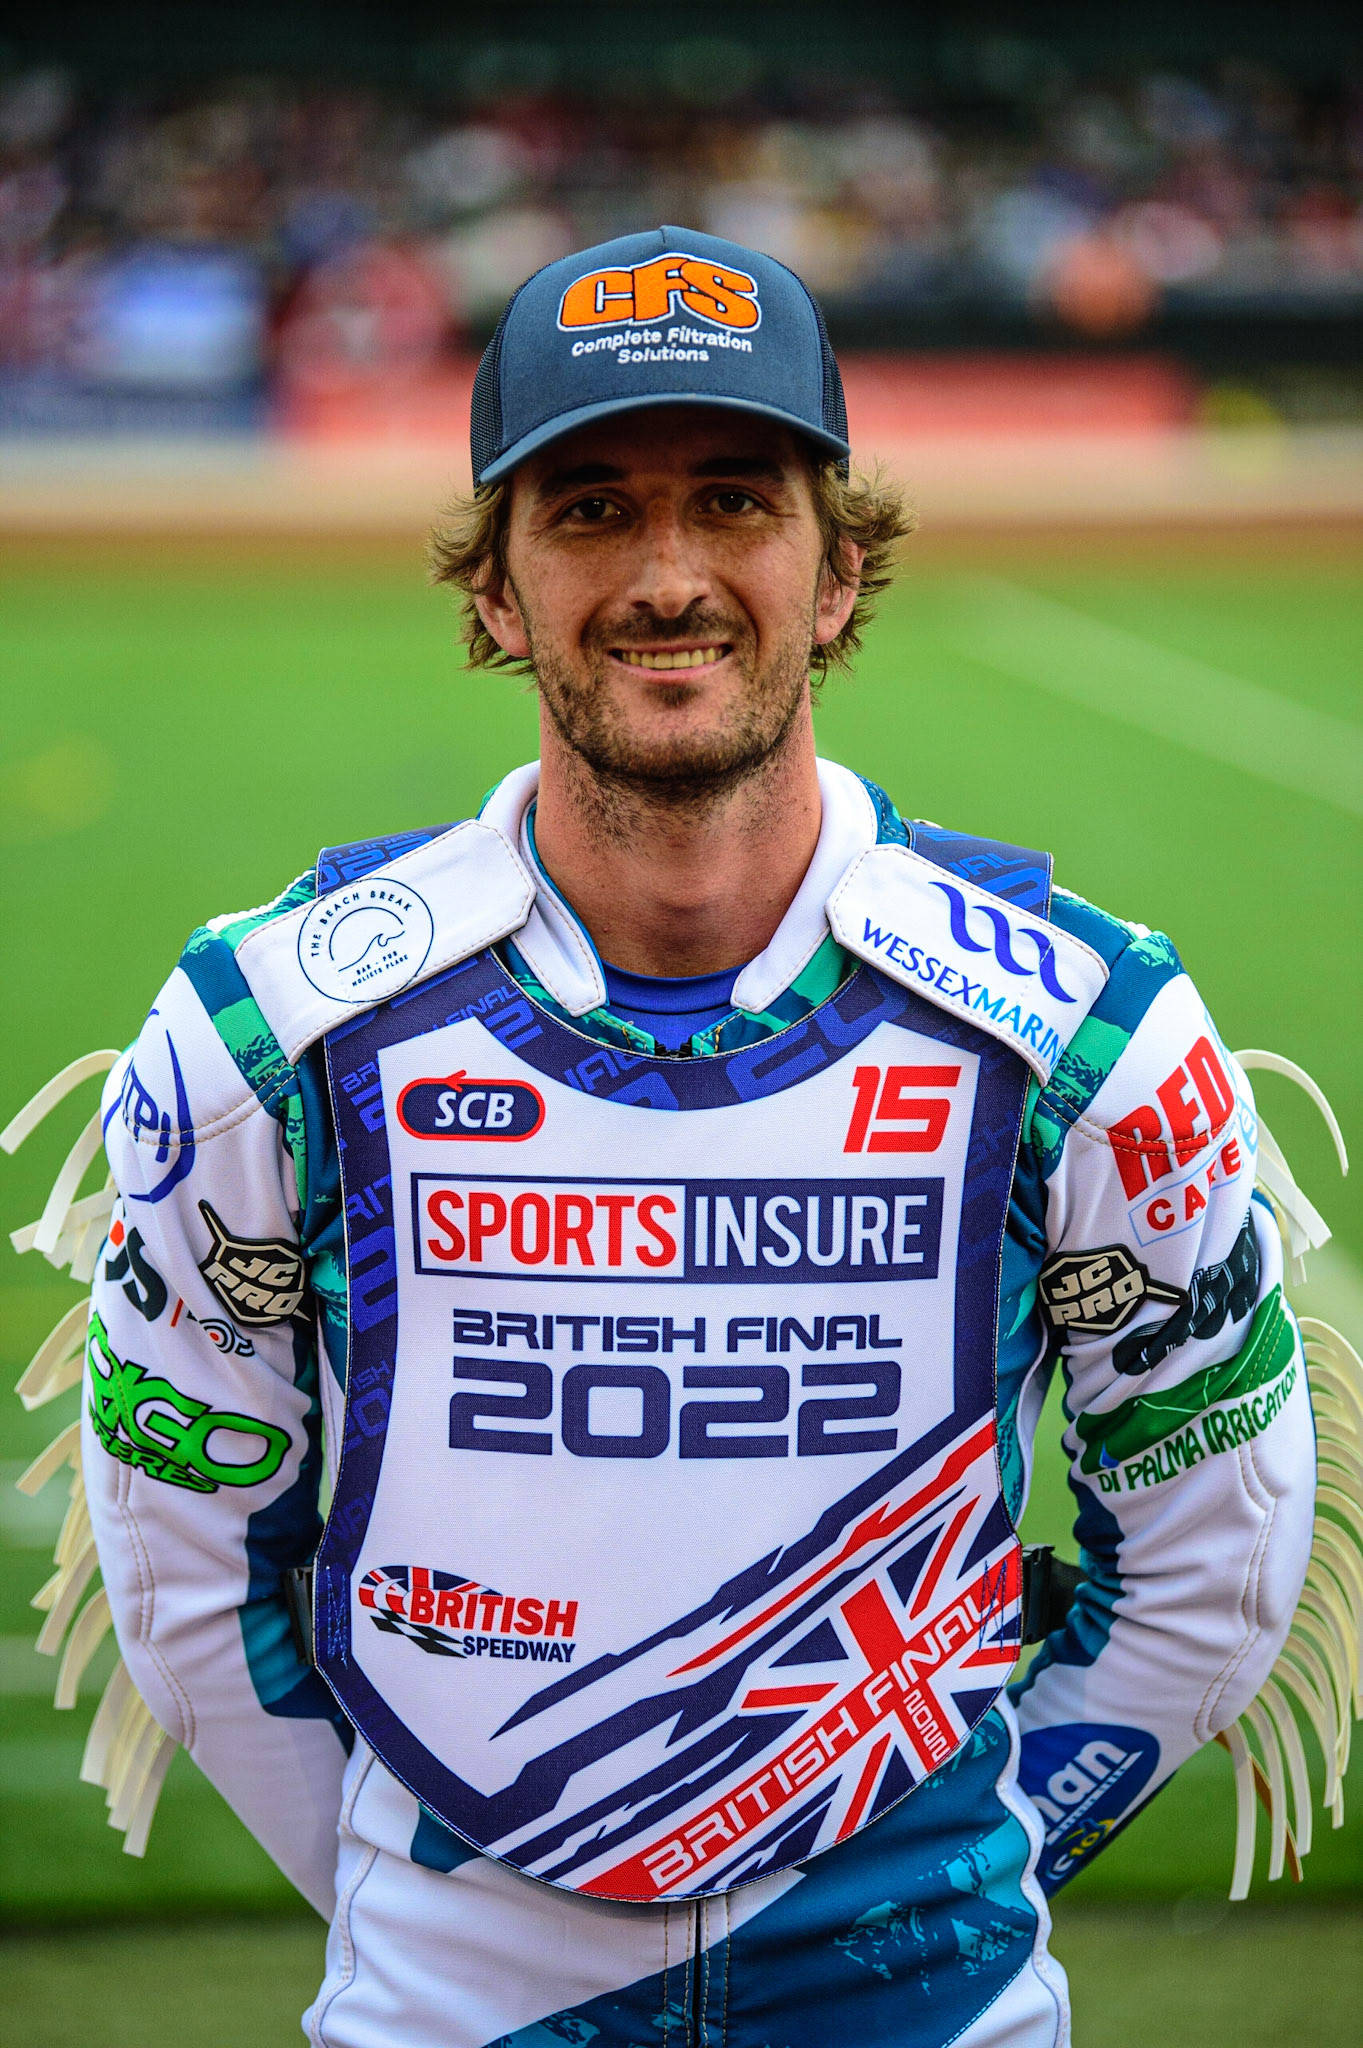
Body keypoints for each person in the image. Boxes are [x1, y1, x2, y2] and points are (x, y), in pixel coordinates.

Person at [7, 227, 1356, 2048]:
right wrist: (441, 1894)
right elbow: (182, 1555)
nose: (667, 577)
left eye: (735, 499)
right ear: (494, 589)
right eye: (588, 511)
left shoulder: (1088, 1031)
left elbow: (1216, 1549)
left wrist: (949, 1872)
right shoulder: (269, 1030)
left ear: (838, 571)